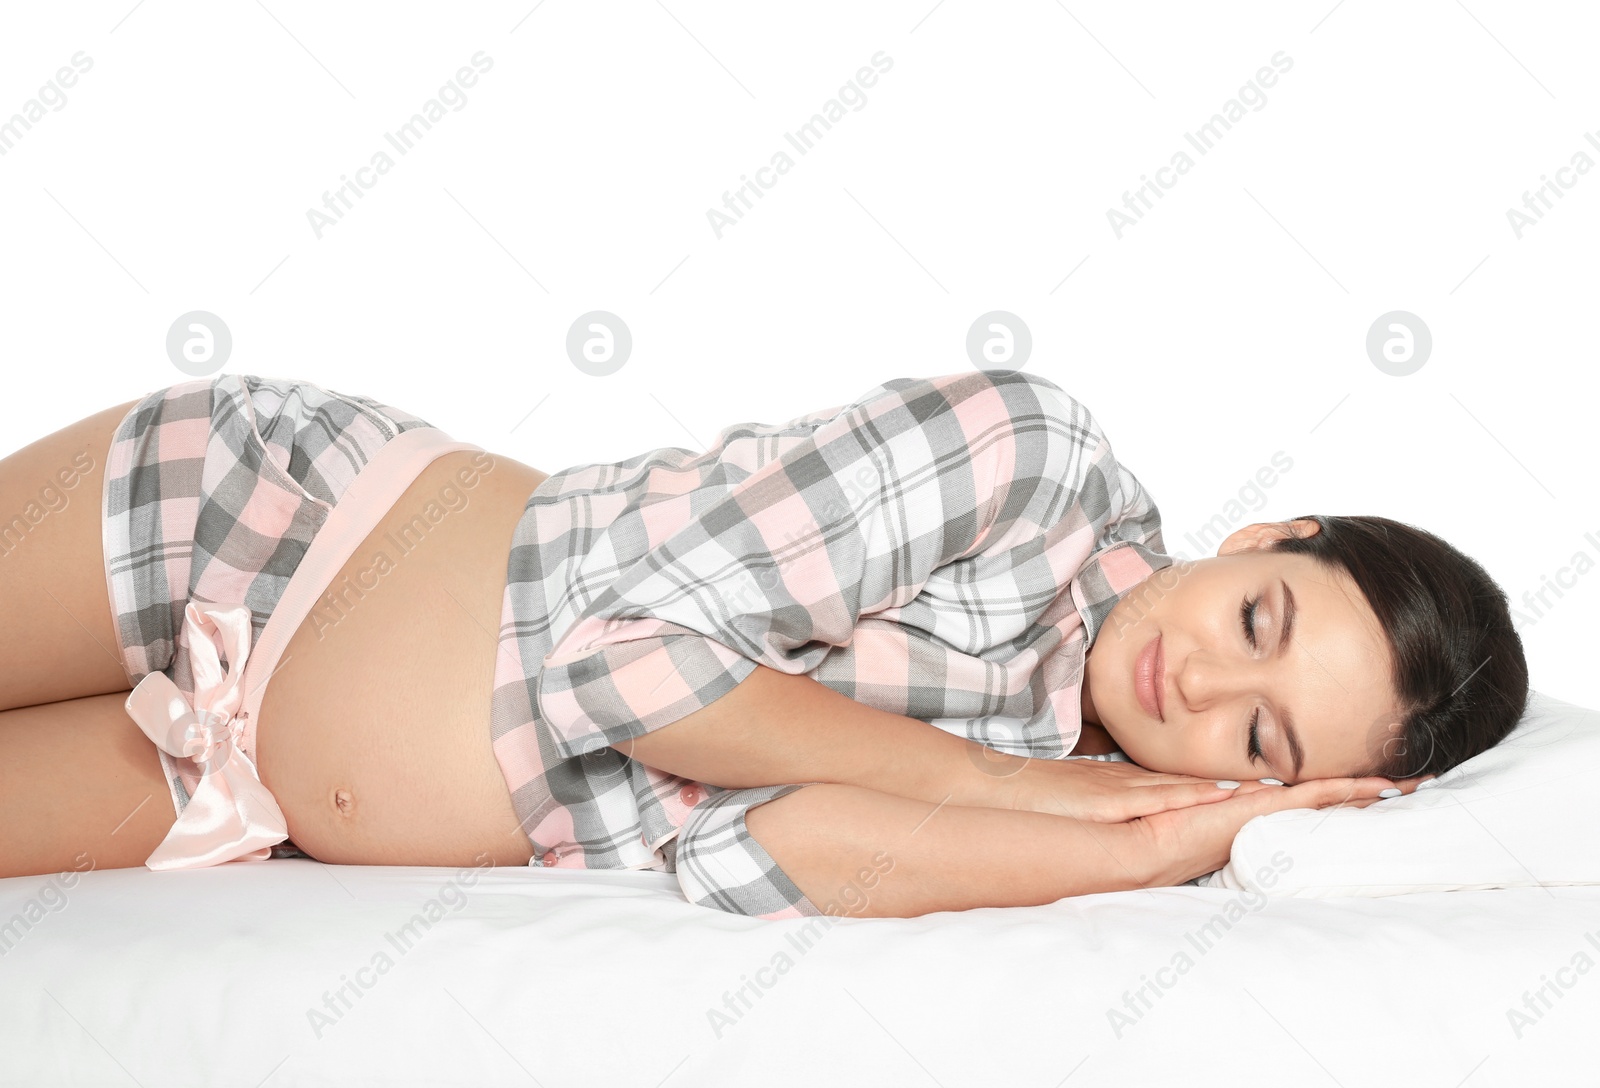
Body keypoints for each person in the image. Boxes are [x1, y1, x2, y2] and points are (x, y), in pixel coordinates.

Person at [0, 369, 1522, 921]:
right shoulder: (1029, 462)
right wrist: (997, 791)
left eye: (1257, 742)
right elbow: (621, 659)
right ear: (1270, 538)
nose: (1196, 681)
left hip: (234, 791)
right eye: (1259, 620)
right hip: (253, 532)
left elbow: (748, 858)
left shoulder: (1068, 791)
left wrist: (1138, 846)